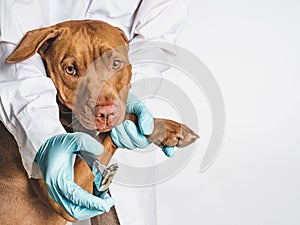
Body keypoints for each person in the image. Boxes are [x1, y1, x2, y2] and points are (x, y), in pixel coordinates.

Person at [0, 0, 187, 224]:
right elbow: (13, 43)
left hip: (124, 149)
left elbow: (156, 41)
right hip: (36, 108)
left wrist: (128, 96)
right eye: (72, 69)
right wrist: (44, 137)